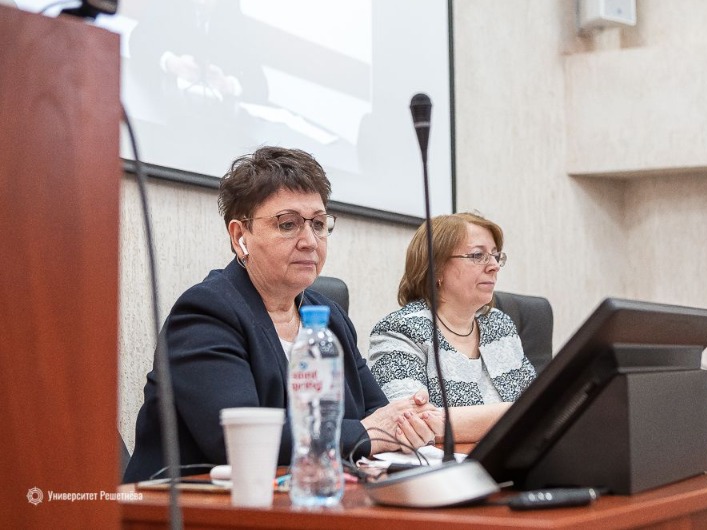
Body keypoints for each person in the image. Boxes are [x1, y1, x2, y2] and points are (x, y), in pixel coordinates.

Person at [124, 147, 439, 483]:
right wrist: (367, 432)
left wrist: (406, 423)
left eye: (319, 224)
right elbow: (241, 439)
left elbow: (376, 412)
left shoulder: (329, 317)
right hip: (187, 501)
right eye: (288, 224)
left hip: (308, 494)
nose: (310, 241)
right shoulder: (206, 313)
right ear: (240, 236)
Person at [368, 212, 537, 443]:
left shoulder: (499, 325)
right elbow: (410, 425)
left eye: (496, 256)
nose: (494, 266)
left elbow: (540, 405)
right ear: (436, 268)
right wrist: (518, 413)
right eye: (478, 255)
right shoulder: (400, 330)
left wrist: (524, 412)